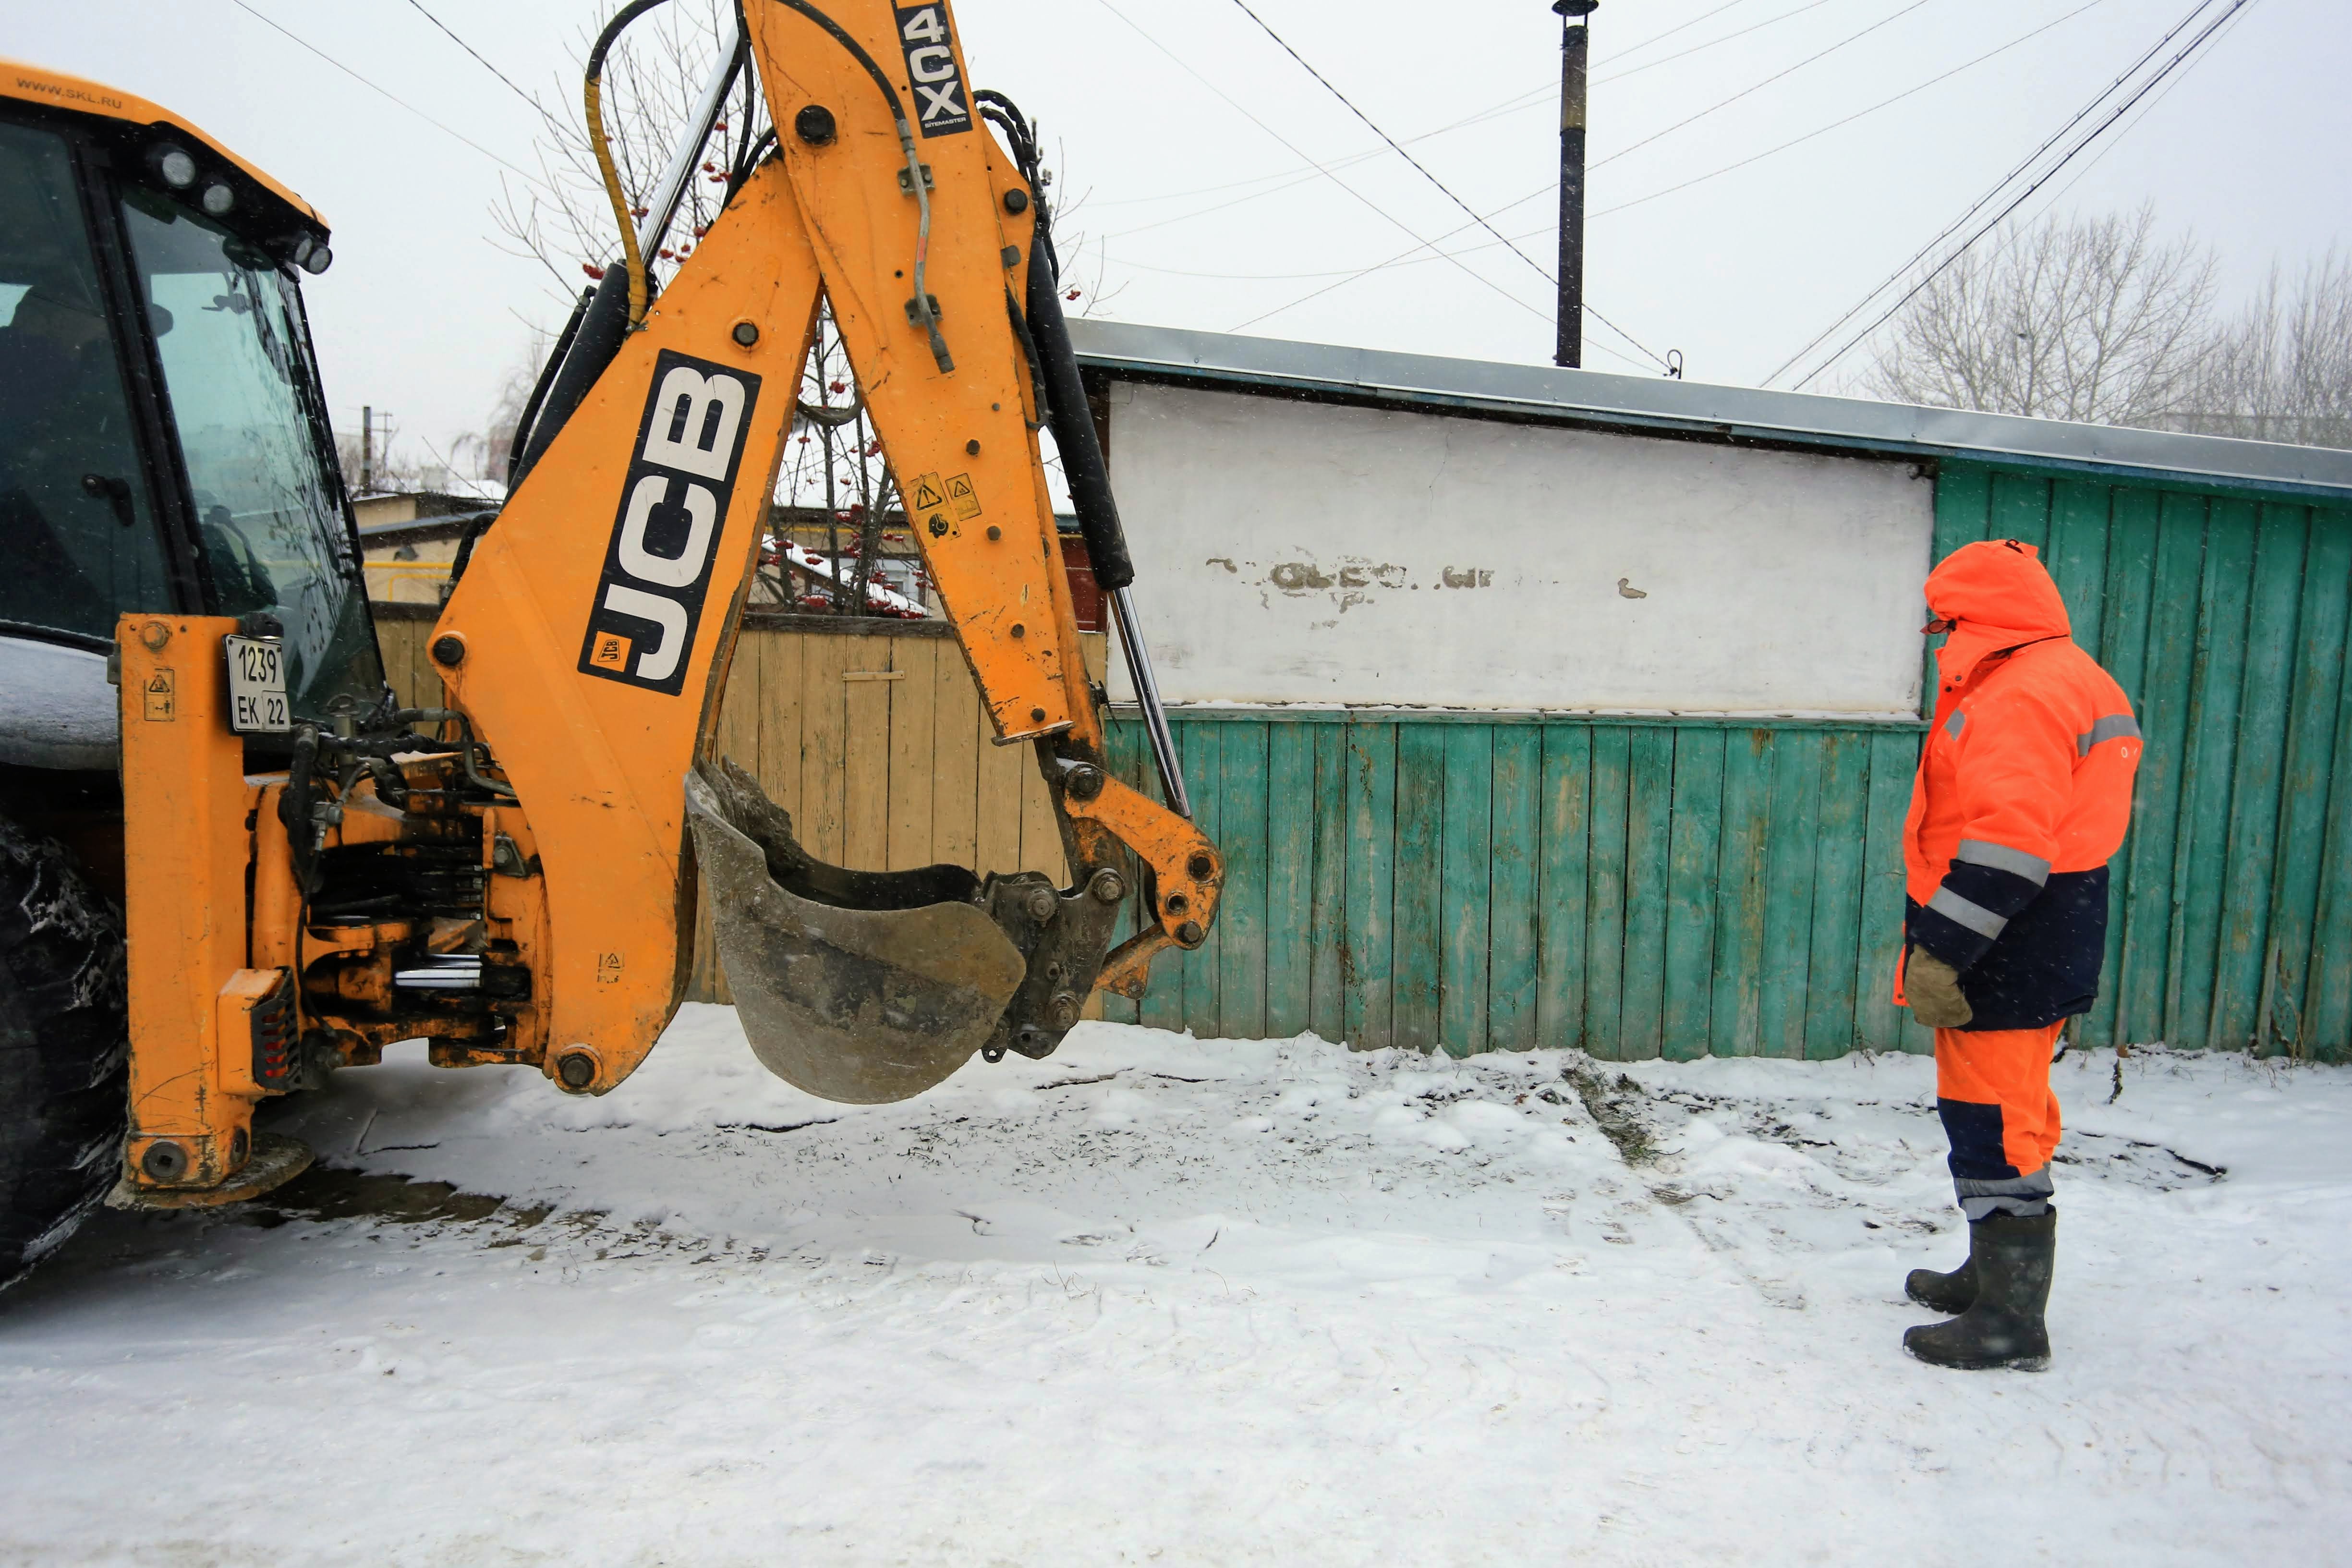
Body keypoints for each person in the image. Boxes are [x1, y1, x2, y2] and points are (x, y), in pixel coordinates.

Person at [1895, 538, 2141, 1371]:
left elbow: (2008, 847)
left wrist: (1941, 949)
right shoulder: (2074, 675)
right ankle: (1990, 1274)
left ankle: (2008, 1321)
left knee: (1991, 1119)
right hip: (2047, 927)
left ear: (1976, 617)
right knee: (2015, 1109)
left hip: (2004, 937)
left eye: (1945, 622)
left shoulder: (2018, 694)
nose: (1939, 638)